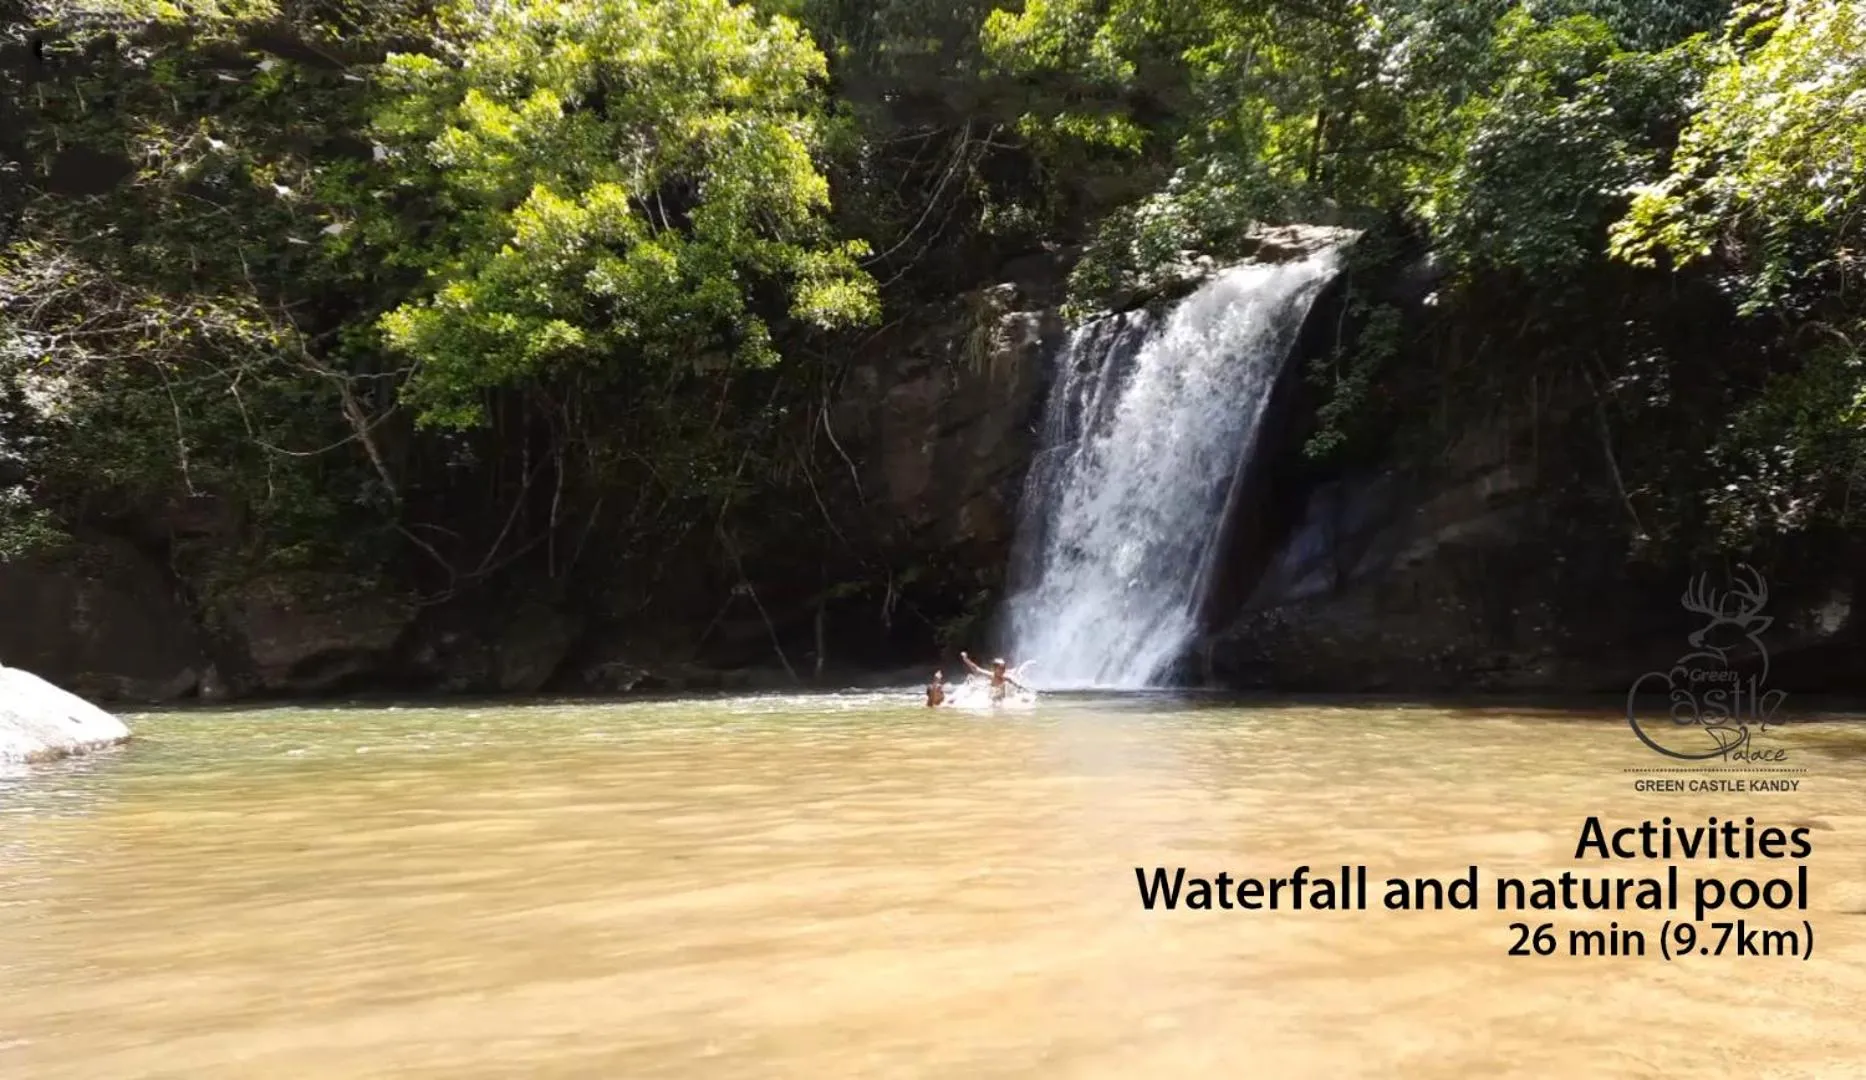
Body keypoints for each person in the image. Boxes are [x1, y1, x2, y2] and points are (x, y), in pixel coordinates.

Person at [960, 651, 1026, 704]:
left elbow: (1018, 686)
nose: (1002, 670)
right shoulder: (991, 676)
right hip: (992, 701)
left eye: (1003, 668)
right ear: (994, 669)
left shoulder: (1006, 678)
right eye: (1000, 668)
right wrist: (965, 659)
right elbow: (976, 669)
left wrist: (1026, 690)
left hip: (1002, 700)